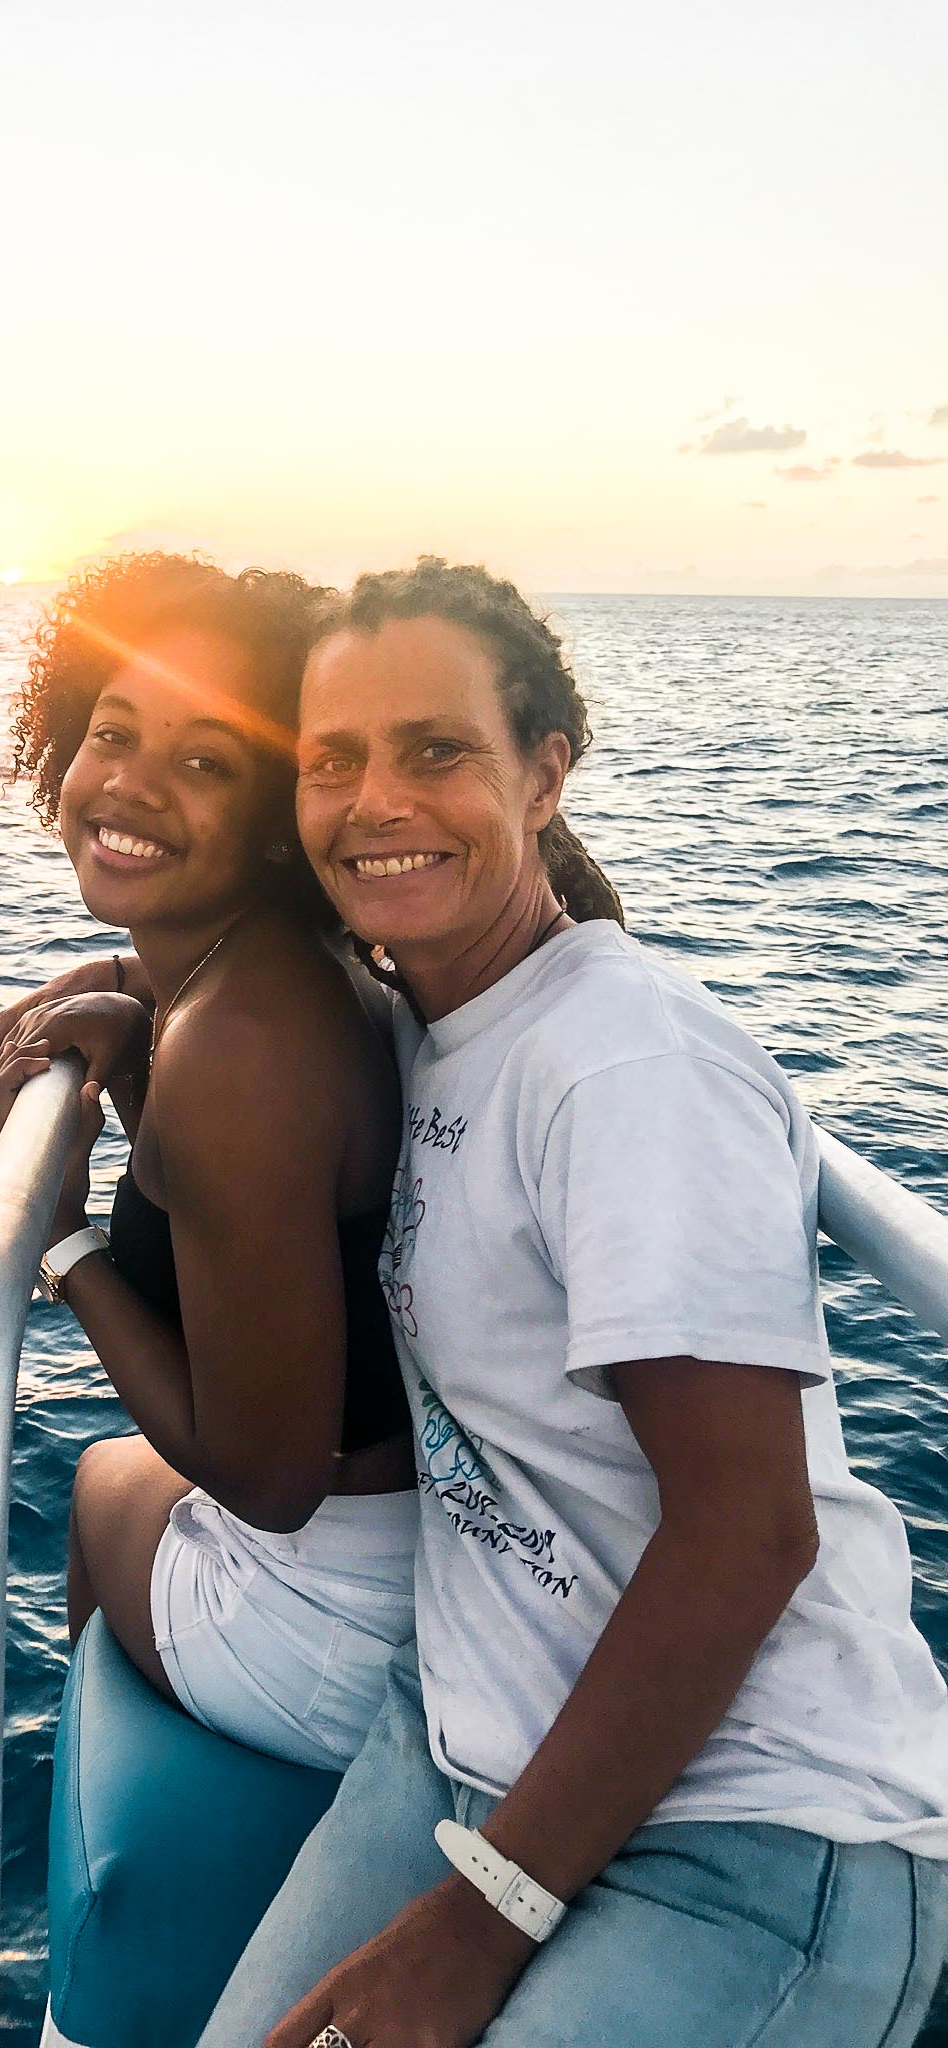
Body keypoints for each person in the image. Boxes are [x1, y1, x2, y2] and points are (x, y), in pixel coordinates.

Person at [185, 557, 948, 2047]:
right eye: (331, 761)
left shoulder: (629, 1072)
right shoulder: (438, 1013)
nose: (375, 800)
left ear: (546, 776)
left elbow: (752, 1530)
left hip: (760, 1831)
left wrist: (483, 1922)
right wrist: (128, 1006)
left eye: (436, 751)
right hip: (472, 1739)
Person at [0, 552, 419, 1773]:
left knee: (95, 1486)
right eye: (112, 730)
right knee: (123, 1476)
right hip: (412, 1551)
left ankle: (107, 1899)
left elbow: (273, 1477)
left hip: (332, 1618)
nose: (131, 783)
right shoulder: (269, 966)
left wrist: (60, 1240)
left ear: (277, 809)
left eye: (205, 761)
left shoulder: (237, 1041)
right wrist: (126, 1002)